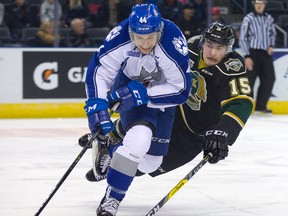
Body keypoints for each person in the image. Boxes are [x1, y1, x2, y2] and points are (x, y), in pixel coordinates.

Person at [81, 21, 254, 207]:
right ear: (203, 42)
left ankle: (111, 153)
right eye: (209, 45)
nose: (212, 52)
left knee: (148, 167)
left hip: (192, 135)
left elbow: (241, 102)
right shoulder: (189, 47)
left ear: (228, 49)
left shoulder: (233, 68)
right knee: (142, 127)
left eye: (219, 48)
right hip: (173, 110)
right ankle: (111, 139)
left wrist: (223, 131)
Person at [84, 3, 191, 215]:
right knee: (139, 140)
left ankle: (110, 149)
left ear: (159, 30)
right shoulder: (120, 36)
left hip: (163, 96)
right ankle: (112, 198)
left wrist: (144, 95)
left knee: (151, 162)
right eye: (139, 38)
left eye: (150, 37)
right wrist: (97, 103)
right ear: (131, 32)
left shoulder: (172, 42)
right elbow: (100, 70)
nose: (145, 43)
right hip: (128, 82)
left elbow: (181, 91)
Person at [239, 0, 276, 114]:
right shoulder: (248, 18)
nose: (259, 5)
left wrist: (271, 45)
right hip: (252, 53)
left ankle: (260, 107)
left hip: (265, 53)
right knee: (249, 81)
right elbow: (243, 38)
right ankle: (244, 107)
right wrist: (247, 56)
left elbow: (272, 33)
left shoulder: (268, 18)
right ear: (253, 5)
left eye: (262, 3)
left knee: (269, 79)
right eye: (257, 3)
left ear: (265, 5)